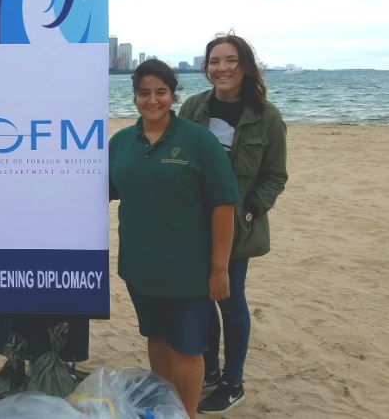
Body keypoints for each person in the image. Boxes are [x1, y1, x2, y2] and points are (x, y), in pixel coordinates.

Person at [109, 59, 241, 419]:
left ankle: (188, 413)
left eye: (161, 92)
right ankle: (165, 409)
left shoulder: (198, 140)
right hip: (139, 268)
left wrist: (219, 268)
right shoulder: (121, 142)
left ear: (172, 94)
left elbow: (224, 205)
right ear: (135, 96)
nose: (153, 101)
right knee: (156, 339)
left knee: (186, 349)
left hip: (188, 271)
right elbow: (96, 192)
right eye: (144, 93)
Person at [180, 33, 288, 414]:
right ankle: (208, 368)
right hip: (194, 224)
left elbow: (275, 176)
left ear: (244, 66)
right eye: (214, 61)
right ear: (206, 67)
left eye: (230, 60)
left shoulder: (267, 116)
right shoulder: (192, 108)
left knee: (229, 296)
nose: (221, 68)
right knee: (200, 298)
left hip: (238, 228)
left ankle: (234, 381)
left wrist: (249, 212)